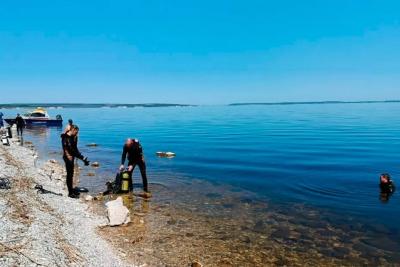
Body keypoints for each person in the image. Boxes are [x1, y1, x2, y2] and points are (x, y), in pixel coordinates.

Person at [61, 125, 90, 198]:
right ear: (73, 130)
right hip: (67, 158)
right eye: (76, 132)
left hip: (71, 158)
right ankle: (70, 193)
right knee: (69, 175)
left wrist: (83, 158)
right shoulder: (65, 137)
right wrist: (81, 157)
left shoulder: (73, 137)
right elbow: (71, 150)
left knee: (71, 174)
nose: (77, 134)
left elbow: (75, 149)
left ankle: (71, 190)